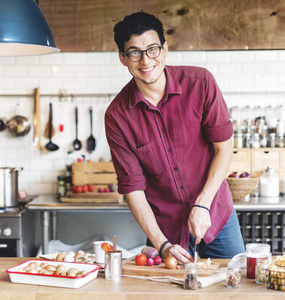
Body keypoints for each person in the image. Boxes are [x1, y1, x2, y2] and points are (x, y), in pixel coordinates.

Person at [105, 11, 245, 265]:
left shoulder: (200, 83)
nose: (145, 60)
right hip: (165, 230)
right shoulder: (117, 116)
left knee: (234, 284)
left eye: (152, 49)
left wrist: (202, 205)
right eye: (134, 52)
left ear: (165, 49)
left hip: (215, 212)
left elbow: (224, 149)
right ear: (123, 59)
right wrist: (162, 244)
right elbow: (133, 189)